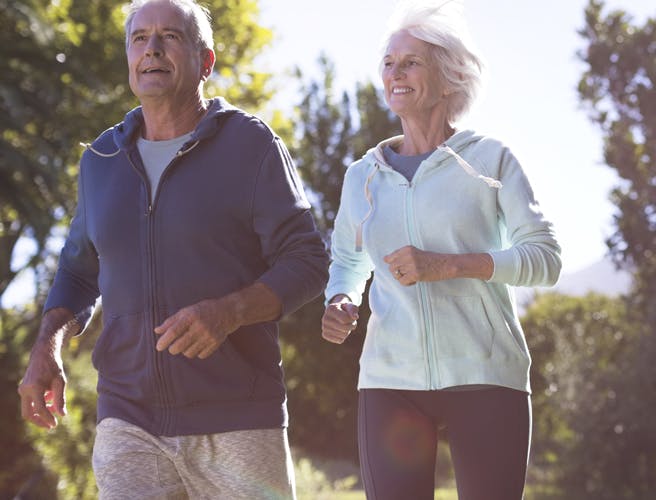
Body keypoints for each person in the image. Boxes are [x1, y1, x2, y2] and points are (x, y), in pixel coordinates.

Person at [16, 0, 328, 498]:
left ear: (205, 62)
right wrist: (46, 349)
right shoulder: (101, 159)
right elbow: (78, 274)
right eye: (139, 38)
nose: (152, 49)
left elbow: (308, 261)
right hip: (127, 418)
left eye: (170, 37)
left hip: (236, 418)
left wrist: (228, 312)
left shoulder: (250, 146)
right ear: (128, 59)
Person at [319, 3, 561, 499]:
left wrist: (449, 265)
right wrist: (341, 299)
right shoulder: (363, 176)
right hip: (390, 379)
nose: (395, 73)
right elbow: (347, 260)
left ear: (449, 77)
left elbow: (546, 258)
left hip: (485, 374)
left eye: (411, 62)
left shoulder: (490, 159)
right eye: (389, 62)